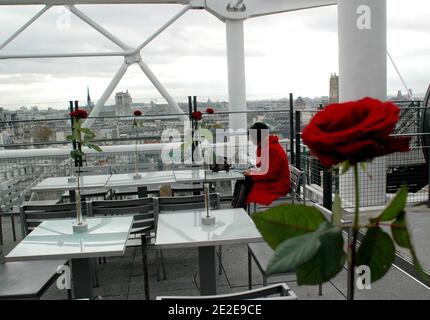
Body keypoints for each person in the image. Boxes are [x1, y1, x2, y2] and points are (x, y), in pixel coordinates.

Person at [231, 122, 291, 208]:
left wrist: (251, 173)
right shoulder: (268, 146)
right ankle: (238, 207)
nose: (250, 140)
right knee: (243, 181)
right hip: (274, 181)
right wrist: (251, 172)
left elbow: (269, 174)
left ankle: (238, 208)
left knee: (245, 181)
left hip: (277, 185)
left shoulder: (271, 149)